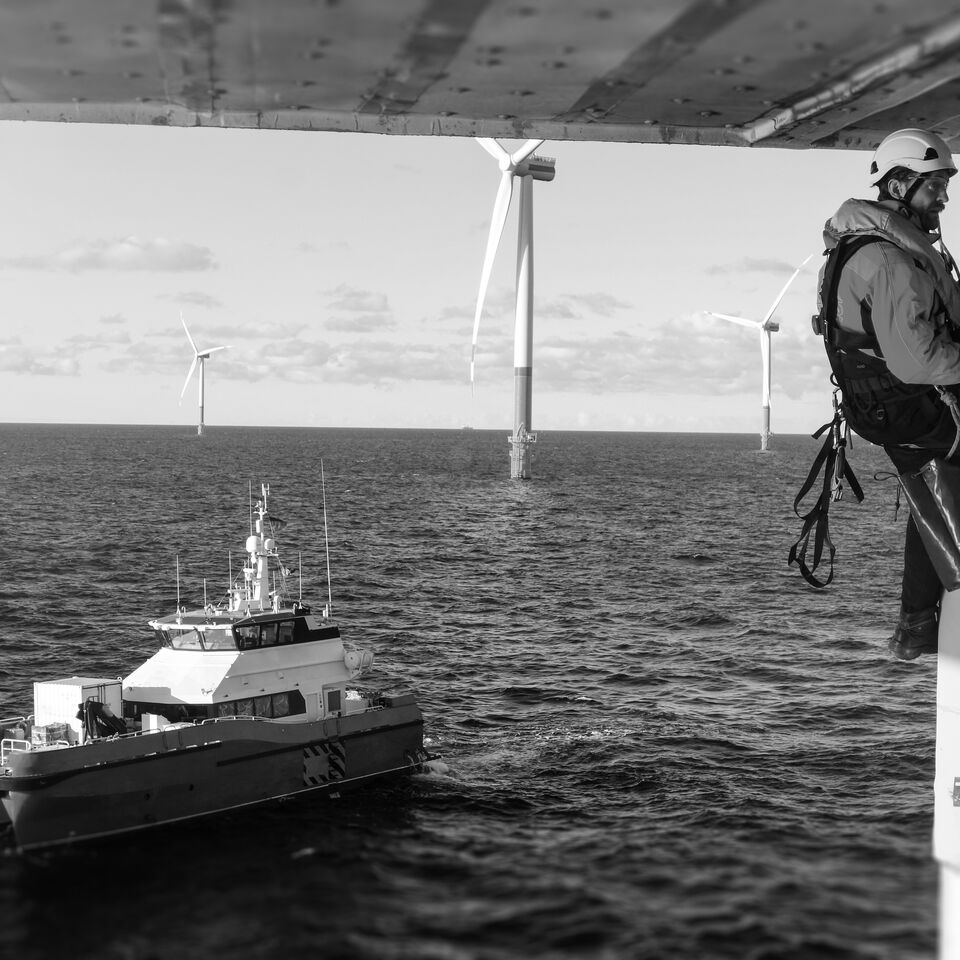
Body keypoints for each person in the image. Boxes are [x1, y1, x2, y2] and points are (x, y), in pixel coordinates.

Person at [816, 128, 960, 660]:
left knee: (934, 490)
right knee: (942, 476)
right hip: (909, 402)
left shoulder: (856, 248)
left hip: (880, 404)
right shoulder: (891, 260)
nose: (944, 198)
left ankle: (916, 624)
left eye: (945, 185)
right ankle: (916, 622)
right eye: (935, 186)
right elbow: (917, 360)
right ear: (899, 186)